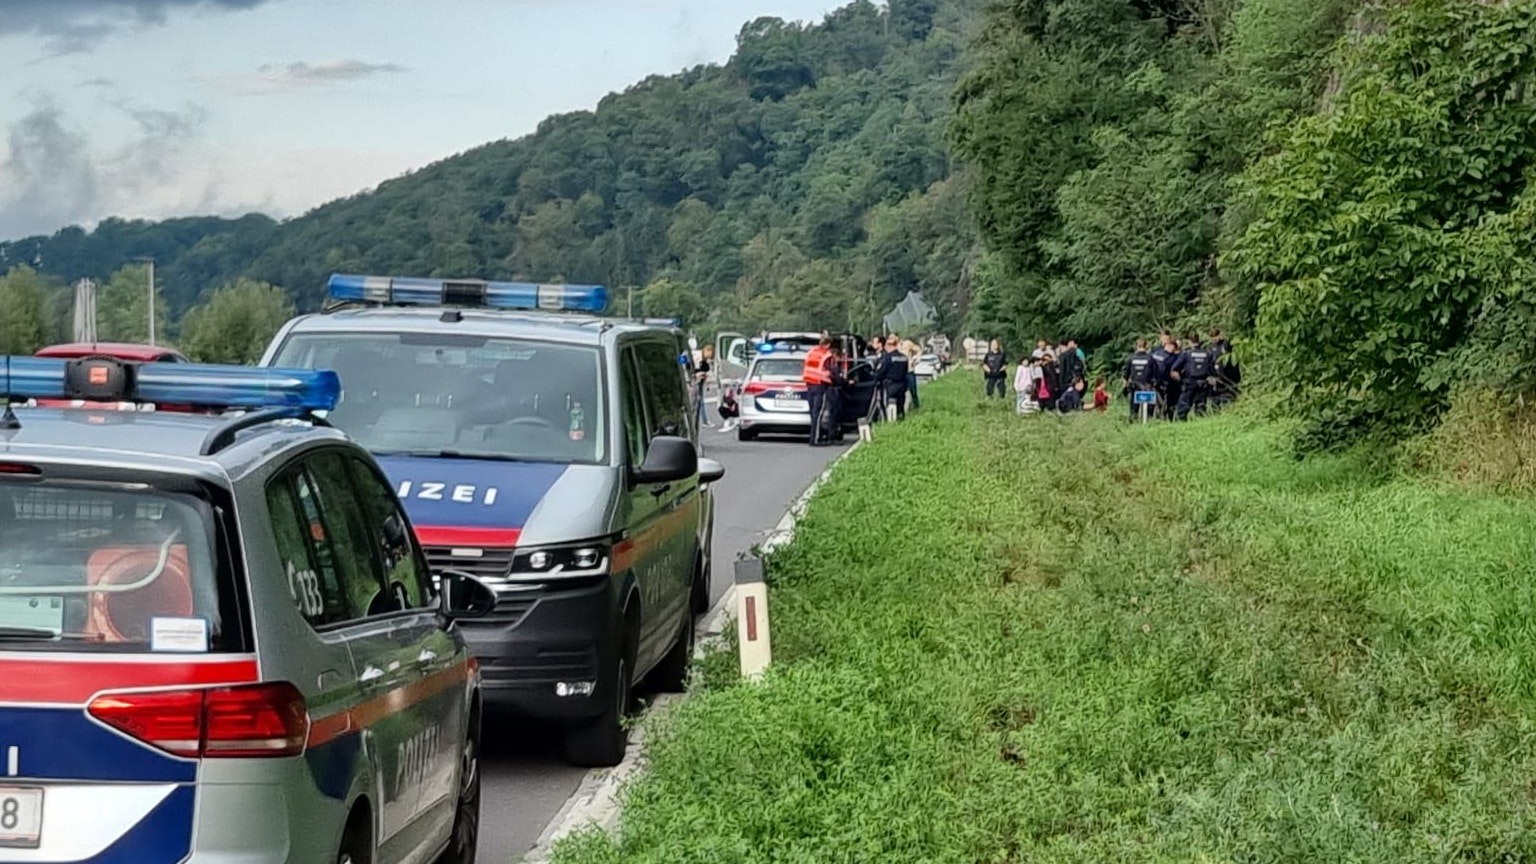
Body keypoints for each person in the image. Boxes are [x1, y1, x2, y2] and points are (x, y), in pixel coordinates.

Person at [802, 335, 835, 445]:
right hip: (820, 385)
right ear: (828, 344)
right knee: (818, 413)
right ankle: (815, 439)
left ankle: (814, 437)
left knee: (813, 413)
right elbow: (830, 371)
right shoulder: (827, 355)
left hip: (809, 384)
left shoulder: (811, 352)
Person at [1172, 336, 1214, 420]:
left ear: (1190, 342)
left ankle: (1181, 422)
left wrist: (1180, 380)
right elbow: (1212, 370)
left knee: (1184, 404)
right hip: (1203, 383)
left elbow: (1175, 368)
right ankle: (1200, 423)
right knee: (1201, 405)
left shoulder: (1187, 353)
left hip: (1190, 382)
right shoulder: (1208, 353)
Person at [877, 335, 910, 421]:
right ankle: (901, 421)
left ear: (889, 346)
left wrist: (876, 378)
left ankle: (891, 423)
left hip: (891, 385)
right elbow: (906, 371)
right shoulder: (904, 357)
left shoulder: (888, 357)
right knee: (900, 406)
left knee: (890, 406)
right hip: (902, 385)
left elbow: (881, 372)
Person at [1124, 338, 1156, 422]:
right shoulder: (1150, 358)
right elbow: (1155, 372)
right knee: (1149, 405)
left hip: (1134, 385)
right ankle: (1148, 420)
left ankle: (1133, 420)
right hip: (1147, 385)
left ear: (1136, 346)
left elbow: (1126, 374)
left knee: (1134, 406)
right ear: (1146, 346)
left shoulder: (1131, 358)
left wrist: (1125, 385)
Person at [694, 344, 715, 428]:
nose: (709, 356)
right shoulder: (697, 358)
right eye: (709, 354)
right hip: (696, 381)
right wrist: (697, 374)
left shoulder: (705, 360)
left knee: (700, 402)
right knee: (699, 402)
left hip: (701, 381)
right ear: (706, 351)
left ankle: (702, 420)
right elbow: (692, 369)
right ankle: (704, 421)